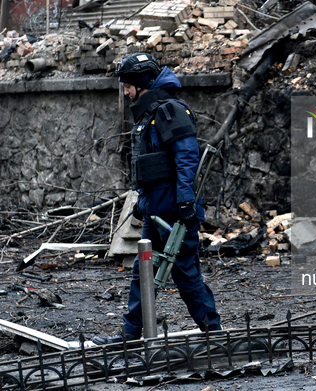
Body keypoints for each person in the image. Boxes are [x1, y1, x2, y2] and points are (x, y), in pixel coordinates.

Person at [93, 53, 221, 345]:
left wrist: (186, 196)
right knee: (143, 272)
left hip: (175, 212)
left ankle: (214, 334)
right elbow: (152, 164)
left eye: (128, 85)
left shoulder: (170, 110)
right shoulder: (149, 113)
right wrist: (142, 202)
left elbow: (186, 155)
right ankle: (129, 334)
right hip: (155, 210)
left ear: (142, 83)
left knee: (186, 275)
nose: (125, 92)